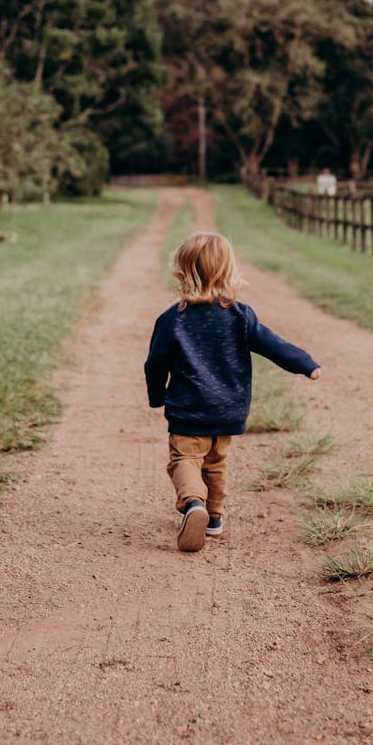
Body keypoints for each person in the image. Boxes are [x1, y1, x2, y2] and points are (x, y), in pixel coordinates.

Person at [144, 231, 321, 553]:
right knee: (216, 462)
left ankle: (193, 502)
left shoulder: (173, 320)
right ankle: (214, 517)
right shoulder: (241, 316)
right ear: (229, 272)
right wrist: (305, 364)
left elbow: (155, 363)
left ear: (181, 272)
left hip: (189, 410)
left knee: (185, 459)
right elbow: (273, 345)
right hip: (228, 409)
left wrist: (157, 396)